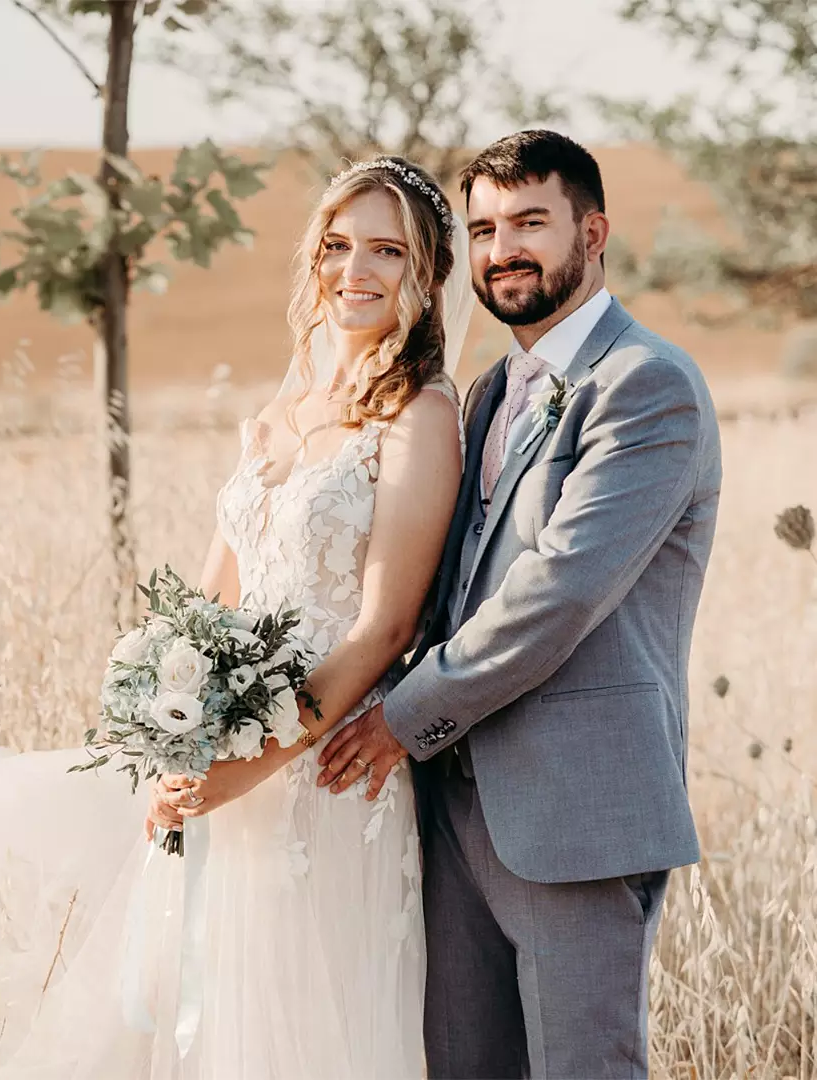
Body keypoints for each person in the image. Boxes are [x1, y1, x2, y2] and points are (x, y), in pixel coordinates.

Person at [0, 156, 474, 1080]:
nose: (355, 269)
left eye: (387, 250)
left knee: (294, 1028)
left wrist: (244, 769)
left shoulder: (420, 416)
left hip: (323, 774)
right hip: (214, 758)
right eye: (338, 245)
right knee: (179, 1017)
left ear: (425, 277)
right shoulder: (278, 414)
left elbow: (384, 629)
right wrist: (168, 733)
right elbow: (203, 604)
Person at [319, 129, 723, 1079]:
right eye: (486, 229)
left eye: (531, 222)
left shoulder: (646, 388)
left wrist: (398, 720)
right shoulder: (491, 391)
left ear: (594, 231)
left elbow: (558, 593)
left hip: (576, 816)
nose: (504, 251)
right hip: (453, 810)